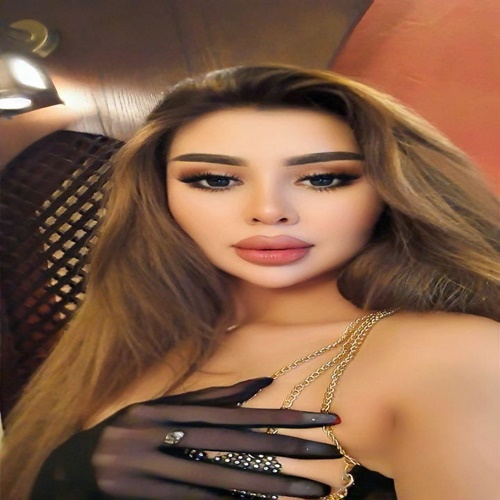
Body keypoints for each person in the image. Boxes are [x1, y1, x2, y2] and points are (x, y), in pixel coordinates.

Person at [1, 64, 498, 500]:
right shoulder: (126, 345)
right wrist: (61, 482)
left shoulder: (456, 357)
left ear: (389, 189)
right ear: (157, 194)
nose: (268, 211)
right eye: (216, 180)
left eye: (322, 178)